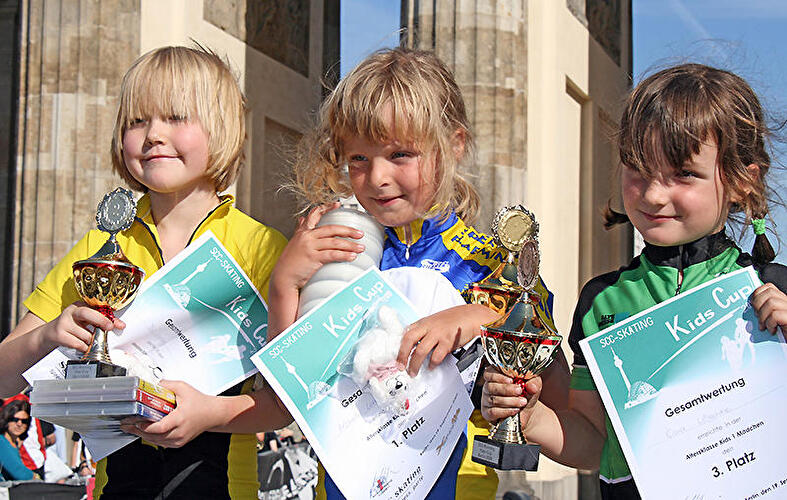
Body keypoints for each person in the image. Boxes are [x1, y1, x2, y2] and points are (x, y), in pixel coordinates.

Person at [481, 63, 787, 499]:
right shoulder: (600, 300)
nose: (654, 194)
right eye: (638, 169)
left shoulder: (774, 289)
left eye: (683, 174)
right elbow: (594, 443)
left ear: (742, 181)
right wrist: (532, 419)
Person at [0, 45, 292, 498]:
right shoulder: (101, 247)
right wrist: (47, 337)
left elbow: (285, 405)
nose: (154, 134)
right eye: (137, 121)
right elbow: (3, 378)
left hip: (224, 487)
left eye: (176, 117)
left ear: (223, 129)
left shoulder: (263, 249)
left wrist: (209, 414)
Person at [267, 47, 556, 499]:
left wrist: (474, 316)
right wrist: (284, 284)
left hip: (456, 483)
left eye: (400, 154)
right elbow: (290, 387)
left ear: (454, 145)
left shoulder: (488, 263)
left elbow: (539, 348)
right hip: (347, 484)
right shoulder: (336, 246)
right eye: (358, 159)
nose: (377, 177)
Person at [0, 399, 35, 481]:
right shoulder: (1, 441)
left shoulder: (14, 443)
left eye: (24, 421)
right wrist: (35, 476)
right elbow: (19, 473)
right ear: (7, 419)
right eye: (15, 420)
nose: (19, 424)